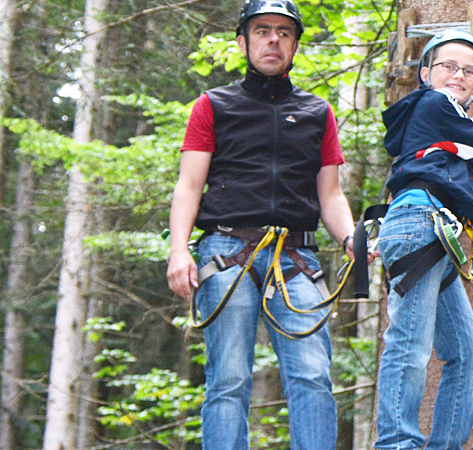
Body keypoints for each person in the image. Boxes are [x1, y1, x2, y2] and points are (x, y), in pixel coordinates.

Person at [164, 0, 355, 448]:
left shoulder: (318, 113)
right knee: (228, 379)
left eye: (284, 32)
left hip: (295, 258)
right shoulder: (213, 105)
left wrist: (350, 238)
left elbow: (331, 194)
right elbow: (189, 186)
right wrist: (178, 250)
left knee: (312, 374)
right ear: (243, 41)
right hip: (226, 251)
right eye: (263, 30)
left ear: (294, 45)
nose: (274, 40)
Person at [375, 29, 473, 450]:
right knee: (410, 343)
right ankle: (397, 444)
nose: (460, 76)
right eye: (449, 67)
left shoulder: (437, 115)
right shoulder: (436, 104)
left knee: (469, 356)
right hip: (422, 222)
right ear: (425, 73)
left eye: (470, 71)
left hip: (434, 230)